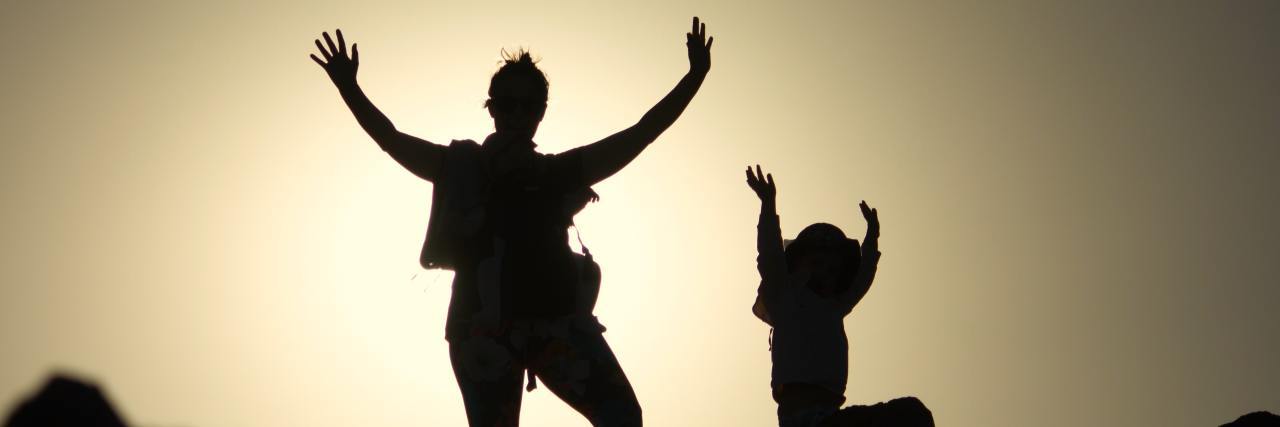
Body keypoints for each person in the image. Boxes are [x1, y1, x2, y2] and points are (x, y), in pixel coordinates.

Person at [310, 17, 713, 427]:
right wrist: (349, 88)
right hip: (481, 327)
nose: (518, 115)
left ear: (542, 111)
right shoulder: (460, 166)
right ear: (492, 108)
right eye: (507, 104)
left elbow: (641, 133)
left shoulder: (557, 173)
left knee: (622, 416)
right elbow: (391, 139)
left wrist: (694, 78)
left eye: (529, 105)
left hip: (554, 320)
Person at [748, 165, 930, 427]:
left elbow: (862, 279)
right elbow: (770, 256)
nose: (825, 273)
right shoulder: (786, 300)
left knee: (912, 413)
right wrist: (767, 204)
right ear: (799, 267)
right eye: (817, 264)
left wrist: (872, 239)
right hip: (802, 420)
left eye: (832, 269)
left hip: (831, 416)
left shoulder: (834, 306)